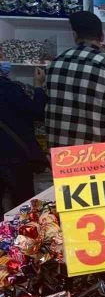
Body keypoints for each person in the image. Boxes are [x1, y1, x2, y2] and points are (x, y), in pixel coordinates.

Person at [46, 11, 105, 148]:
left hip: (61, 151)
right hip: (97, 153)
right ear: (102, 36)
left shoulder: (55, 63)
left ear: (75, 35)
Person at [0, 62, 47, 215]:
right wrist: (39, 87)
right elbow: (37, 112)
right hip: (15, 158)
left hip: (12, 157)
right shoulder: (10, 89)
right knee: (23, 209)